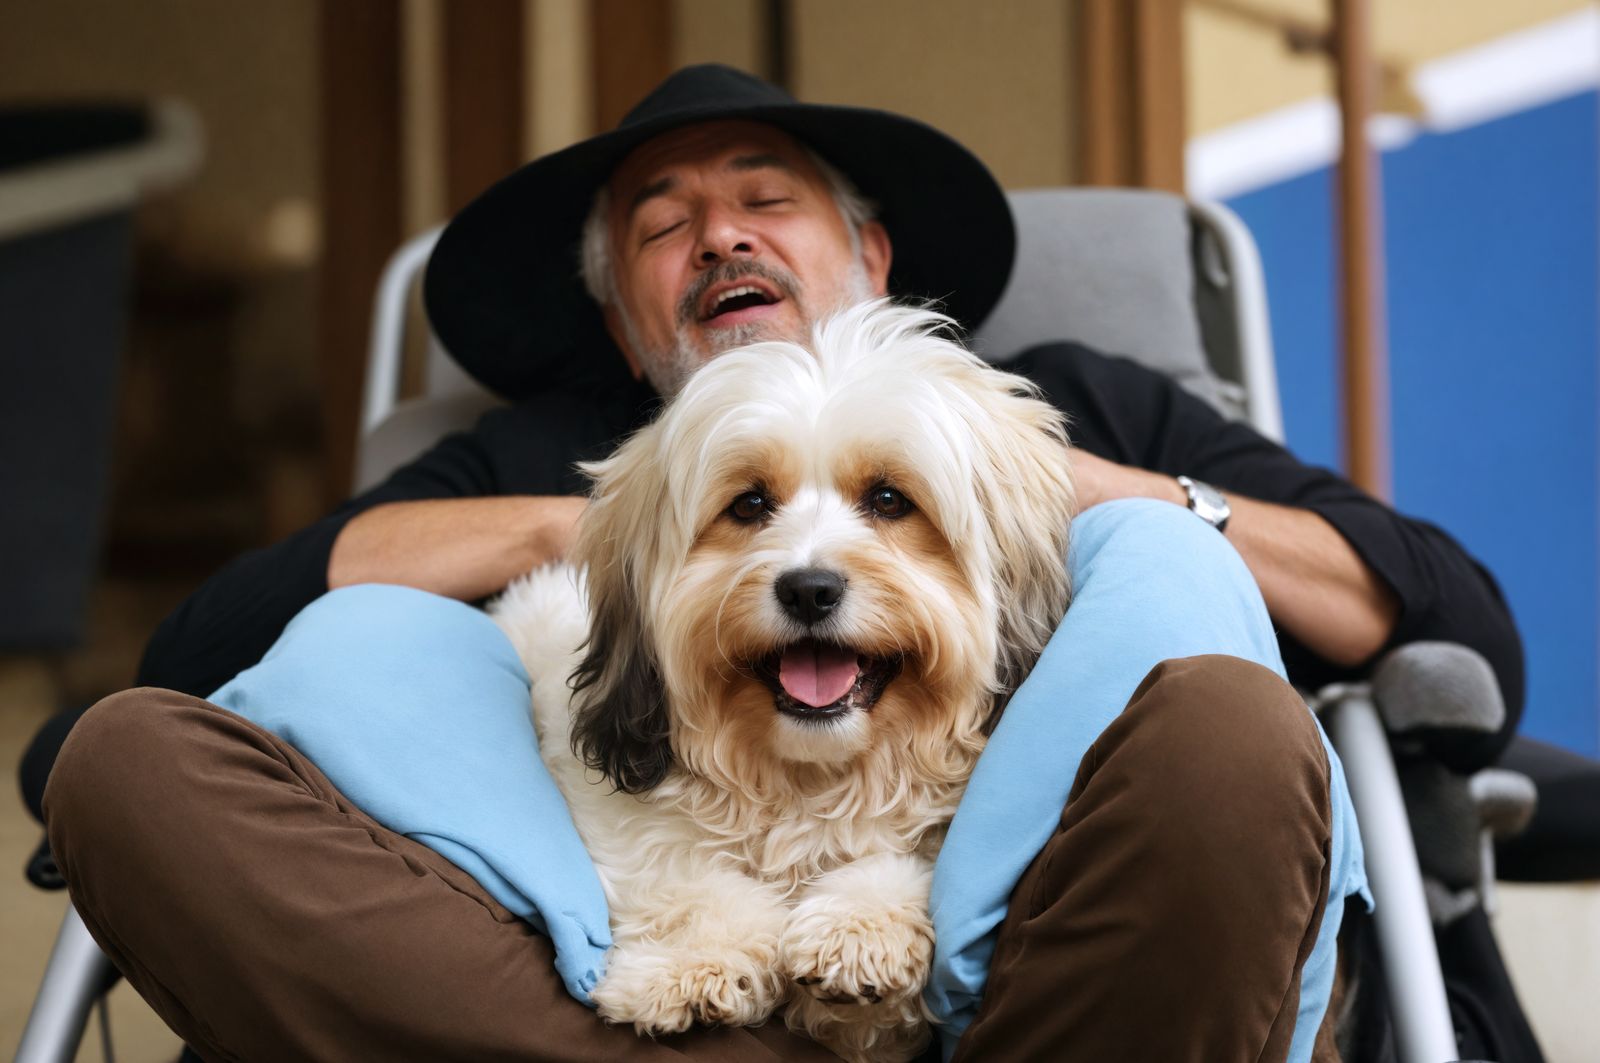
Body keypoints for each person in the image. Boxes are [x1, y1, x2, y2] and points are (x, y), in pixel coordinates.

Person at [43, 65, 1523, 1062]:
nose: (716, 238)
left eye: (764, 200)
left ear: (872, 261)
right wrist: (628, 536)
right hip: (620, 972)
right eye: (661, 225)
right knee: (129, 763)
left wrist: (1053, 497)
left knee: (1224, 728)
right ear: (628, 326)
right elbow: (204, 663)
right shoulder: (545, 451)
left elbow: (1446, 616)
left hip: (1051, 987)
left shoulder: (1076, 393)